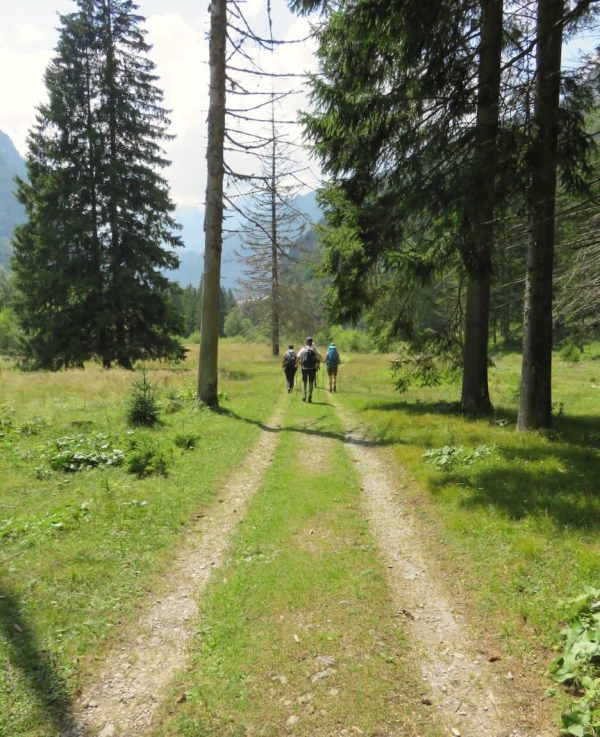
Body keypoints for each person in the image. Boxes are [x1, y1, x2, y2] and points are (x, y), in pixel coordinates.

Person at [296, 336, 322, 403]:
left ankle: (304, 395)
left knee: (304, 382)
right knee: (311, 382)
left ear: (306, 342)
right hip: (312, 368)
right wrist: (318, 363)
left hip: (304, 368)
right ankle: (310, 396)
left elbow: (298, 357)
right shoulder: (314, 350)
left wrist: (297, 364)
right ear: (311, 342)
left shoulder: (303, 349)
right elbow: (320, 356)